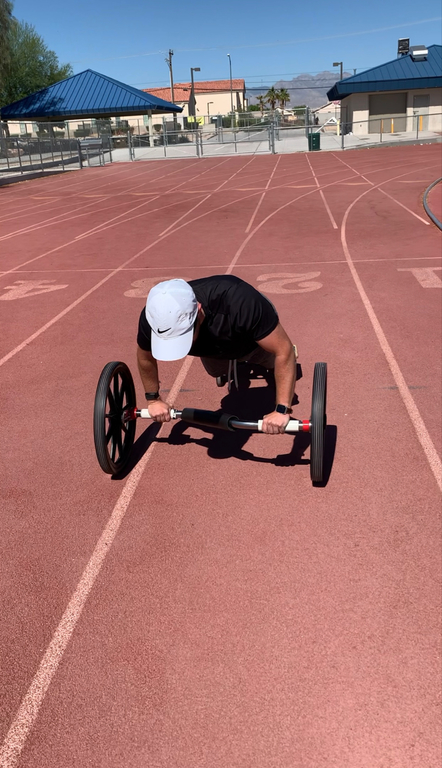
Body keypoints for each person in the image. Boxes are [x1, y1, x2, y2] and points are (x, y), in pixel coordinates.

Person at [136, 275, 297, 434]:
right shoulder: (154, 317)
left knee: (273, 359)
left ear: (198, 311)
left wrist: (282, 409)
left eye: (183, 336)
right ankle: (234, 361)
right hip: (214, 345)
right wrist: (153, 399)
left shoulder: (240, 301)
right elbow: (145, 357)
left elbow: (283, 351)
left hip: (251, 340)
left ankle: (271, 361)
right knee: (215, 371)